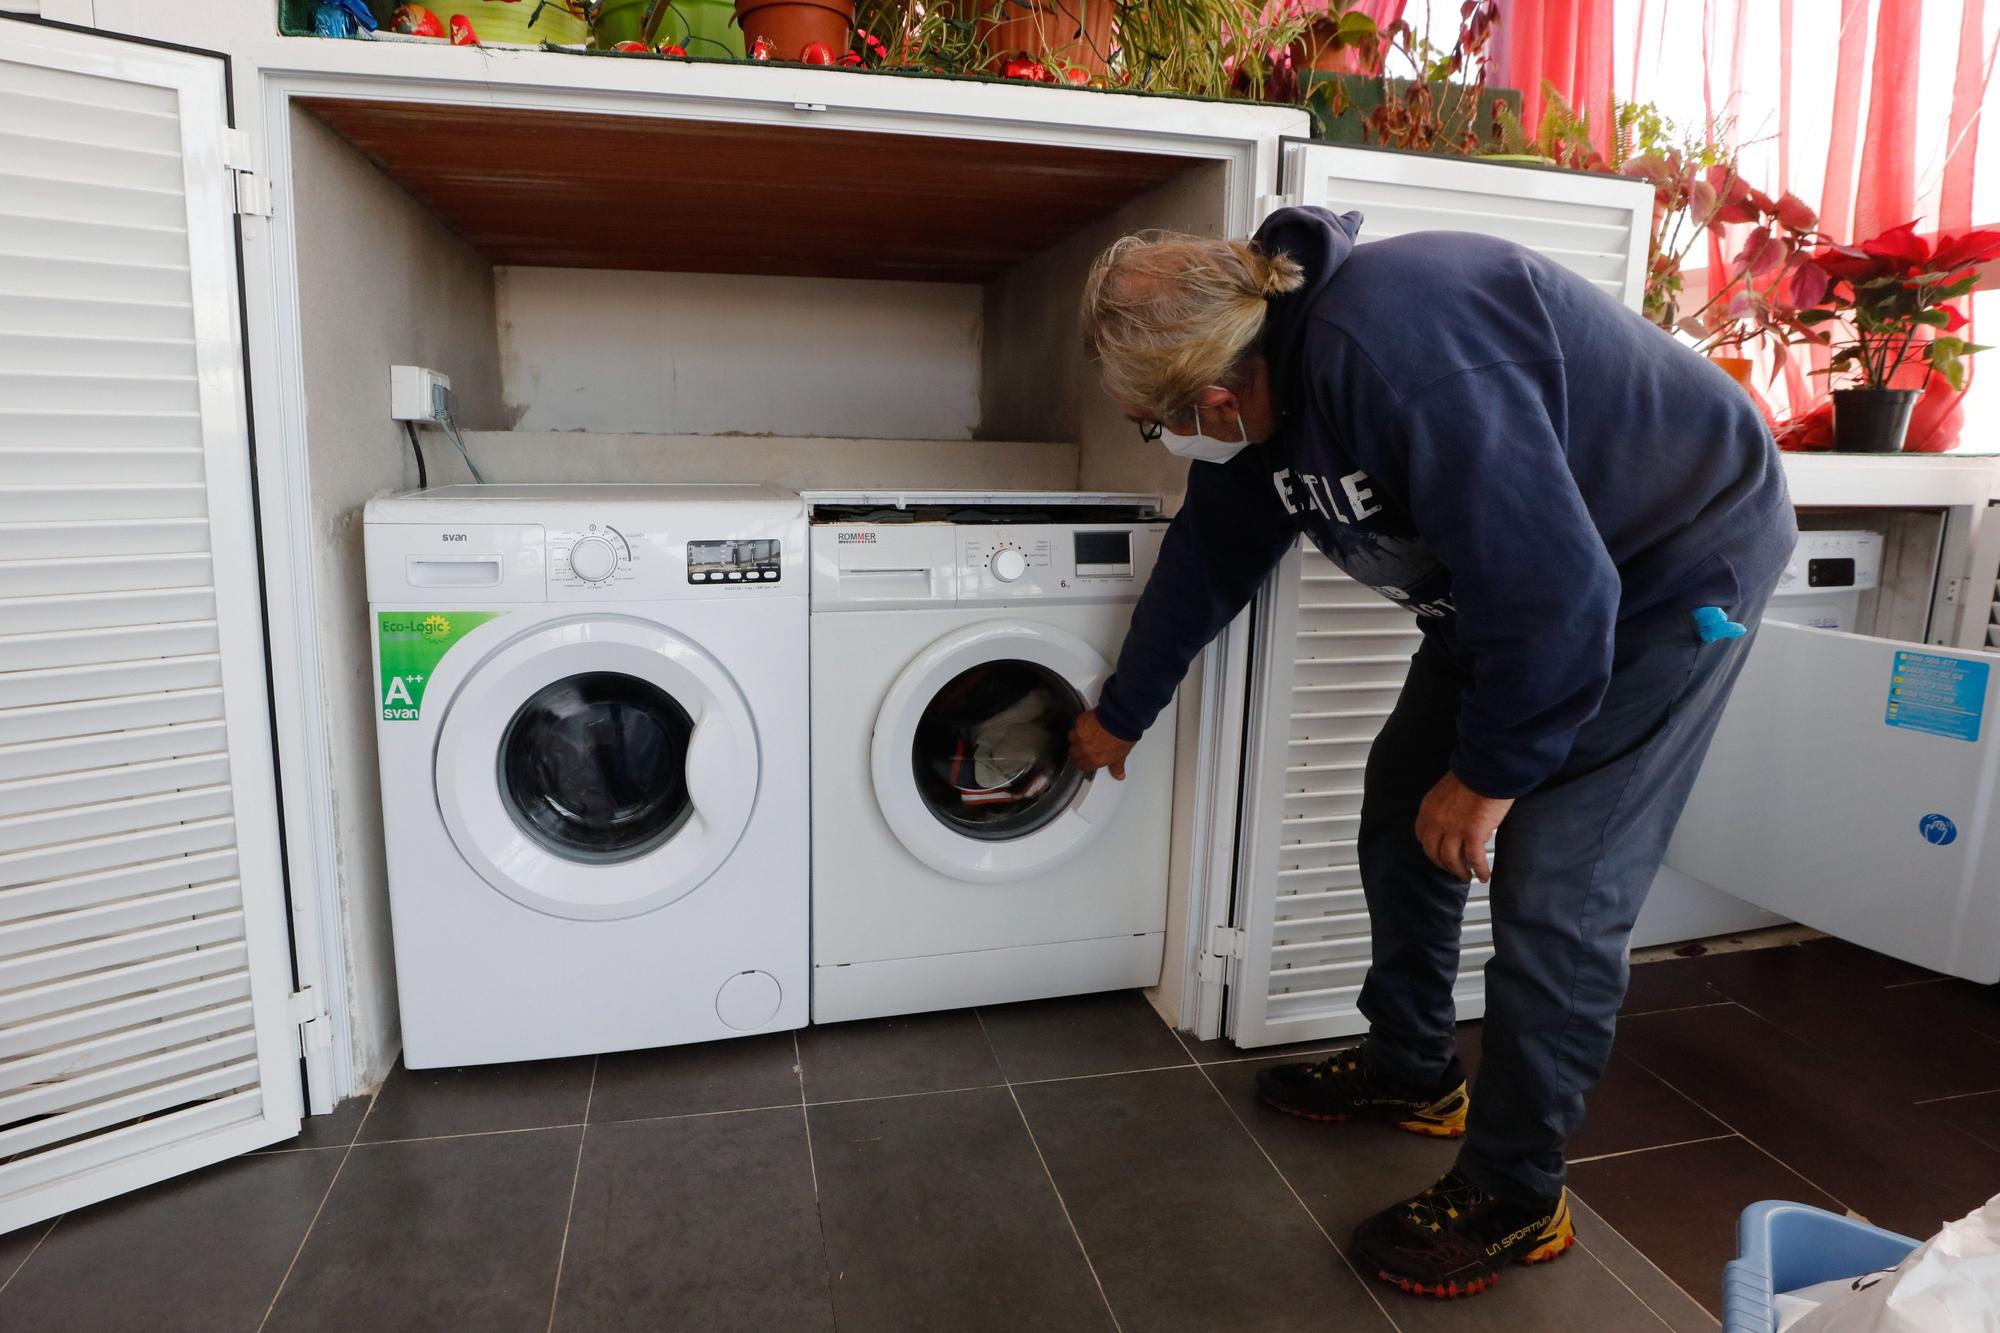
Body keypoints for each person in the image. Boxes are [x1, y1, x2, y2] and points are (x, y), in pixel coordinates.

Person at [1069, 206, 1796, 1299]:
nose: (1159, 439)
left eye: (1149, 425)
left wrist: (1495, 774)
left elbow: (1559, 592)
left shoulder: (1401, 353)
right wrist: (1122, 711)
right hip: (1510, 593)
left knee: (1557, 884)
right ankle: (1412, 1068)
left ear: (1220, 396)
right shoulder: (1252, 388)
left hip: (1663, 576)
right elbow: (1209, 558)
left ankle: (1516, 1191)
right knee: (1401, 803)